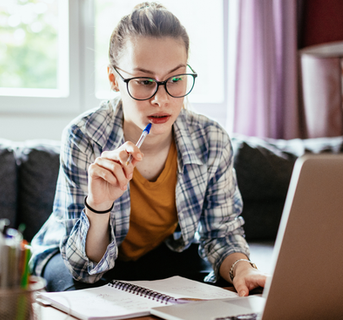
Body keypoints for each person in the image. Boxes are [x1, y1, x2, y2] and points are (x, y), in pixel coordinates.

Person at [29, 2, 267, 296]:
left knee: (219, 291)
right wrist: (99, 205)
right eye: (144, 81)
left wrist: (242, 268)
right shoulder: (84, 136)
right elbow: (84, 268)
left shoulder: (211, 139)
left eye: (175, 79)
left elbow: (222, 234)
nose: (161, 99)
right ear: (114, 79)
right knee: (83, 293)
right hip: (73, 255)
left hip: (160, 253)